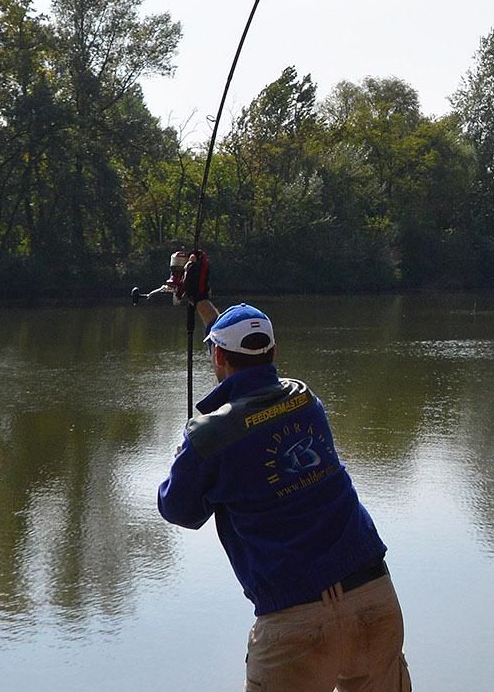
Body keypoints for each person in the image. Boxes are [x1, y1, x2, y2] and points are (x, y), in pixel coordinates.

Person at [157, 278, 409, 692]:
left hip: (295, 622)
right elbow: (243, 366)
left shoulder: (211, 437)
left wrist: (191, 446)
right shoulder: (305, 400)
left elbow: (179, 509)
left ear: (217, 355)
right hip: (373, 600)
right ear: (273, 351)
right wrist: (204, 305)